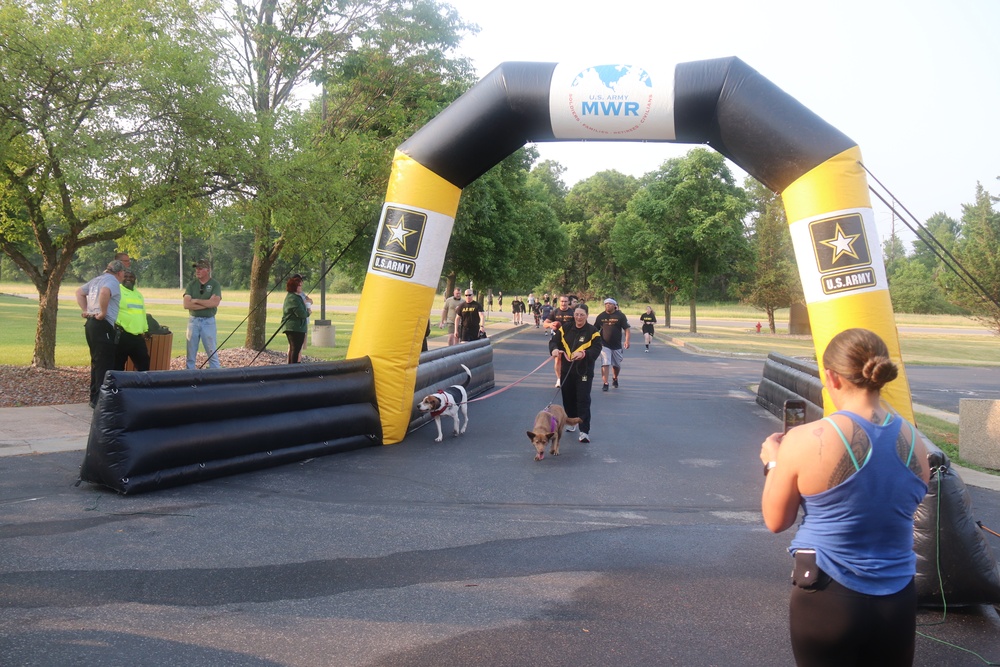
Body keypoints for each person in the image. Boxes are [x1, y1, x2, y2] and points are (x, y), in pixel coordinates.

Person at [759, 328, 930, 667]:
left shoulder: (806, 438)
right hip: (897, 599)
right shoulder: (915, 440)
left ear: (832, 377)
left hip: (829, 596)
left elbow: (776, 520)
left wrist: (773, 462)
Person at [75, 260, 126, 407]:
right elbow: (105, 292)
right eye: (123, 273)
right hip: (102, 325)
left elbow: (79, 292)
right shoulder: (112, 281)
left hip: (91, 323)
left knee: (96, 361)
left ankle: (94, 397)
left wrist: (86, 310)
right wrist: (103, 312)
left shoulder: (96, 280)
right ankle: (101, 401)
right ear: (119, 272)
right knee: (105, 362)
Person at [548, 306, 602, 443]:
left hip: (583, 371)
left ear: (587, 315)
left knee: (583, 399)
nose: (578, 317)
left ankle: (584, 431)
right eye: (577, 314)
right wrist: (554, 349)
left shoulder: (593, 331)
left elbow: (597, 349)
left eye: (582, 315)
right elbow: (554, 341)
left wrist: (584, 353)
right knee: (568, 397)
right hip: (567, 370)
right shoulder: (565, 328)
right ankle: (572, 421)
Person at [183, 259, 222, 369]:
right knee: (190, 354)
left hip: (208, 321)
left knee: (212, 353)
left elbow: (215, 303)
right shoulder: (191, 285)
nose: (197, 271)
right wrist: (207, 304)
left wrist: (195, 300)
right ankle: (189, 378)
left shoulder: (215, 284)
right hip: (193, 321)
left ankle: (216, 377)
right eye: (196, 269)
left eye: (200, 268)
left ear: (208, 270)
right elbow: (186, 305)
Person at [114, 270, 150, 372]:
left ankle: (142, 387)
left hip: (137, 336)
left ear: (135, 279)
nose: (128, 279)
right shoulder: (117, 291)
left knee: (144, 364)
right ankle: (117, 387)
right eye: (126, 276)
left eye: (131, 277)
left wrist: (145, 329)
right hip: (122, 334)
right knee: (118, 365)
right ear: (121, 278)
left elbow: (142, 313)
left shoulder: (138, 294)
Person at [593, 298, 630, 391]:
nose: (607, 305)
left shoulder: (620, 316)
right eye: (606, 304)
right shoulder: (601, 316)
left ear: (614, 305)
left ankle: (615, 377)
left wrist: (627, 340)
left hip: (616, 345)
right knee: (605, 363)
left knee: (616, 365)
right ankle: (605, 383)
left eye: (610, 304)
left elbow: (626, 329)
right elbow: (595, 329)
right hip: (604, 344)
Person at [544, 295, 576, 387]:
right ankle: (559, 379)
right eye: (562, 301)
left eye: (565, 301)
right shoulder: (555, 312)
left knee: (569, 359)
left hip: (570, 338)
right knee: (558, 359)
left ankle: (569, 377)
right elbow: (545, 324)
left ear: (568, 302)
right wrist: (551, 325)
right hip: (557, 338)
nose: (563, 303)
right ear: (559, 302)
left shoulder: (572, 312)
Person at [282, 275, 309, 363]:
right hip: (294, 327)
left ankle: (293, 366)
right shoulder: (293, 298)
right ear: (295, 286)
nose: (301, 287)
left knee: (295, 349)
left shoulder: (295, 297)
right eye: (300, 286)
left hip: (297, 327)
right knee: (295, 349)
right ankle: (292, 367)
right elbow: (301, 313)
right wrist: (308, 312)